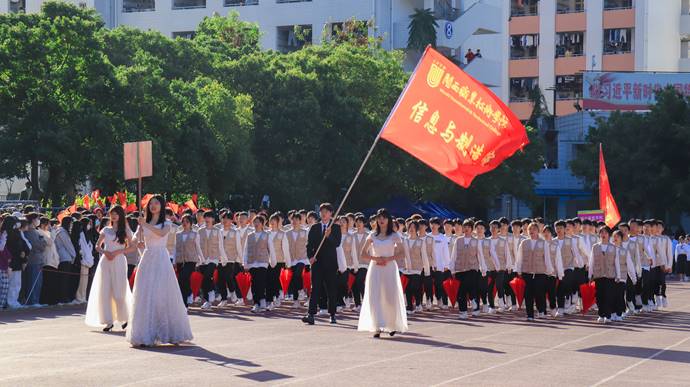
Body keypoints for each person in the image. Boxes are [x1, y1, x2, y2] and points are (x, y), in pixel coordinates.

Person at [127, 195, 193, 347]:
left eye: (156, 203)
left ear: (162, 206)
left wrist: (145, 225)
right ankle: (145, 334)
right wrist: (136, 235)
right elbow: (134, 240)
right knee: (145, 294)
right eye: (151, 203)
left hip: (161, 259)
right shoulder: (143, 223)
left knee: (161, 294)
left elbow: (161, 234)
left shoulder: (167, 223)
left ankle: (168, 332)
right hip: (147, 258)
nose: (153, 206)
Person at [357, 209, 408, 337]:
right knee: (375, 295)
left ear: (388, 220)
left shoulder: (394, 235)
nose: (381, 220)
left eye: (384, 218)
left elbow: (402, 253)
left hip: (389, 268)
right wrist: (376, 259)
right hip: (375, 268)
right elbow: (363, 254)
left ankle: (391, 325)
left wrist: (388, 259)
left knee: (390, 296)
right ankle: (377, 326)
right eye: (379, 218)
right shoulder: (372, 235)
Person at [86, 205, 135, 332]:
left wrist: (118, 252)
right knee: (105, 290)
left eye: (116, 214)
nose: (113, 216)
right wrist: (104, 252)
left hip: (119, 261)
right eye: (111, 214)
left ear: (120, 215)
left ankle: (125, 318)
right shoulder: (106, 230)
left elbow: (132, 247)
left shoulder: (126, 231)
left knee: (119, 291)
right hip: (105, 261)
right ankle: (108, 321)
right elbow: (97, 246)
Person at [302, 203, 341, 325]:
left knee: (331, 289)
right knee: (315, 289)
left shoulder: (335, 228)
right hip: (317, 263)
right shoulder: (314, 228)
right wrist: (310, 257)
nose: (324, 214)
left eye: (326, 211)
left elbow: (337, 243)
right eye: (322, 211)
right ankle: (311, 314)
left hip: (330, 264)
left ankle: (332, 314)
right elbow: (309, 245)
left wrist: (329, 236)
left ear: (331, 214)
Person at [515, 222, 553, 321]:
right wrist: (518, 270)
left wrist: (549, 270)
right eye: (529, 229)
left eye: (534, 229)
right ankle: (530, 315)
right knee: (528, 294)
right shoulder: (524, 243)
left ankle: (541, 310)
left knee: (539, 293)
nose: (531, 231)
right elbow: (519, 257)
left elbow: (547, 257)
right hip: (527, 272)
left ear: (538, 231)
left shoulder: (543, 242)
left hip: (540, 272)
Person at [589, 226, 619, 324]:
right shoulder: (595, 247)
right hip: (599, 275)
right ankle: (601, 314)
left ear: (609, 235)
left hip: (610, 275)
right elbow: (591, 262)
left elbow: (616, 262)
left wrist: (618, 275)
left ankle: (608, 315)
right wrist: (590, 275)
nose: (603, 235)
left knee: (608, 296)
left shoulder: (613, 247)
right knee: (599, 296)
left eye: (605, 233)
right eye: (601, 233)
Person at [243, 215, 271, 313]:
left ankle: (262, 300)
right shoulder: (249, 235)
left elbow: (270, 248)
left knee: (261, 281)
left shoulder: (267, 235)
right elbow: (246, 250)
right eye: (255, 222)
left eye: (258, 222)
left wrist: (273, 261)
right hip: (252, 262)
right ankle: (256, 303)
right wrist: (245, 263)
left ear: (262, 224)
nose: (256, 224)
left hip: (263, 262)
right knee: (254, 282)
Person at [402, 220, 429, 314]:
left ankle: (418, 304)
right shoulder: (405, 240)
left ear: (417, 229)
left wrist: (427, 269)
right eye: (410, 227)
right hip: (407, 268)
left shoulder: (421, 242)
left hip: (417, 268)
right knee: (408, 288)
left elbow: (424, 256)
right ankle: (409, 307)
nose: (411, 229)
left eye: (414, 227)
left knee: (415, 287)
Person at [23, 213, 47, 307]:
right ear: (33, 220)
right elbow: (38, 245)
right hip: (34, 260)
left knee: (37, 282)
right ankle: (32, 301)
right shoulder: (30, 231)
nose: (38, 220)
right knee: (33, 282)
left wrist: (42, 242)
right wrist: (42, 242)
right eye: (37, 218)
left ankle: (35, 300)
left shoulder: (35, 231)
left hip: (38, 259)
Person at [55, 216, 76, 304]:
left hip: (62, 257)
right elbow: (68, 245)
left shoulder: (59, 230)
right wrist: (74, 255)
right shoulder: (62, 232)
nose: (71, 225)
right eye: (71, 223)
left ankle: (63, 297)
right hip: (65, 257)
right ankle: (63, 298)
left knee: (64, 279)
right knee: (64, 279)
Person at [74, 217, 95, 304]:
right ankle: (79, 297)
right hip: (83, 260)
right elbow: (80, 245)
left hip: (88, 260)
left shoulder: (88, 234)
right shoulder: (80, 234)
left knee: (85, 281)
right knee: (81, 280)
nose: (90, 225)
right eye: (88, 223)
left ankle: (83, 296)